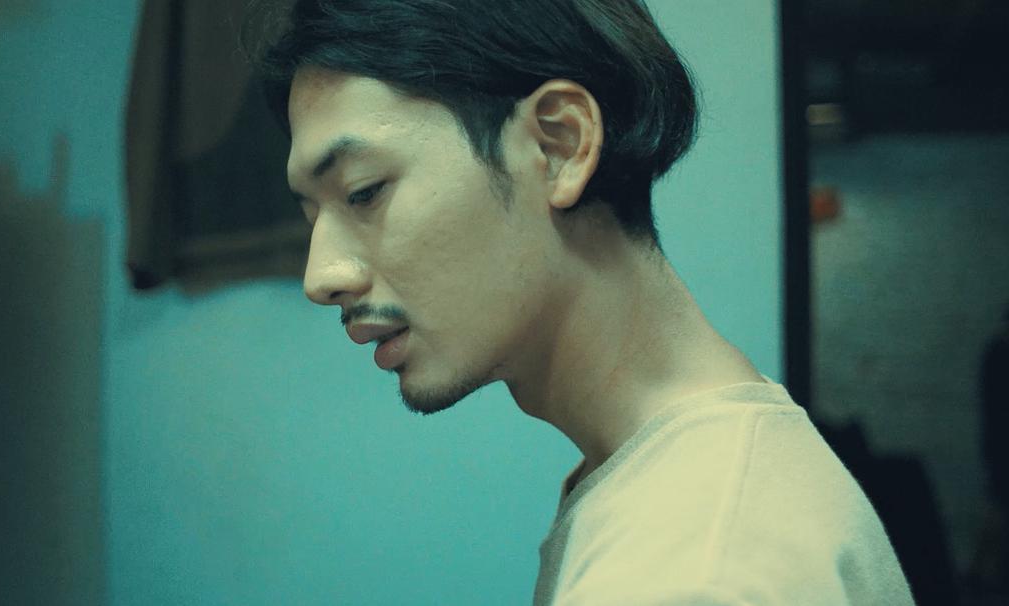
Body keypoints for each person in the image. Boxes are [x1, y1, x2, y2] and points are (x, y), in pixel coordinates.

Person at [246, 1, 915, 603]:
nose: (321, 277)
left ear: (558, 145)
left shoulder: (693, 574)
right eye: (313, 215)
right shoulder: (699, 471)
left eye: (363, 192)